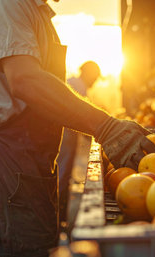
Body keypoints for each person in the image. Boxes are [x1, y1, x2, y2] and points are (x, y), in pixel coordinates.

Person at [0, 1, 155, 256]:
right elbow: (25, 80)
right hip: (8, 159)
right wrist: (105, 126)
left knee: (38, 246)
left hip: (27, 160)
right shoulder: (9, 3)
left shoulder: (35, 11)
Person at [57, 61, 101, 226]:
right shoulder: (77, 85)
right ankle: (59, 216)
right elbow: (79, 116)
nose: (95, 81)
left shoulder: (77, 84)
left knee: (65, 172)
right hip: (65, 136)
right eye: (95, 77)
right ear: (88, 73)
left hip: (68, 137)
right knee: (62, 172)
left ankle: (61, 214)